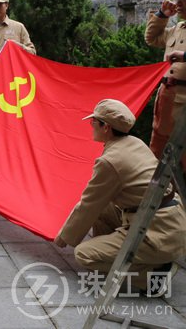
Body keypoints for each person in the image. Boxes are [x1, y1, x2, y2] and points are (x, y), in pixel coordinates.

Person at [54, 99, 186, 294]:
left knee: (84, 255)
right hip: (169, 221)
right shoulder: (134, 143)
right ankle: (120, 252)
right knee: (104, 208)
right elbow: (97, 204)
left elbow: (89, 203)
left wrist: (64, 237)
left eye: (93, 122)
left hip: (159, 232)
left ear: (105, 127)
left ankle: (152, 275)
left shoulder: (110, 160)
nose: (91, 126)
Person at [145, 0, 186, 165]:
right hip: (166, 100)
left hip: (184, 103)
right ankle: (163, 194)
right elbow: (151, 39)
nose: (178, 2)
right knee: (158, 152)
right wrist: (162, 16)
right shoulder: (177, 28)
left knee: (182, 156)